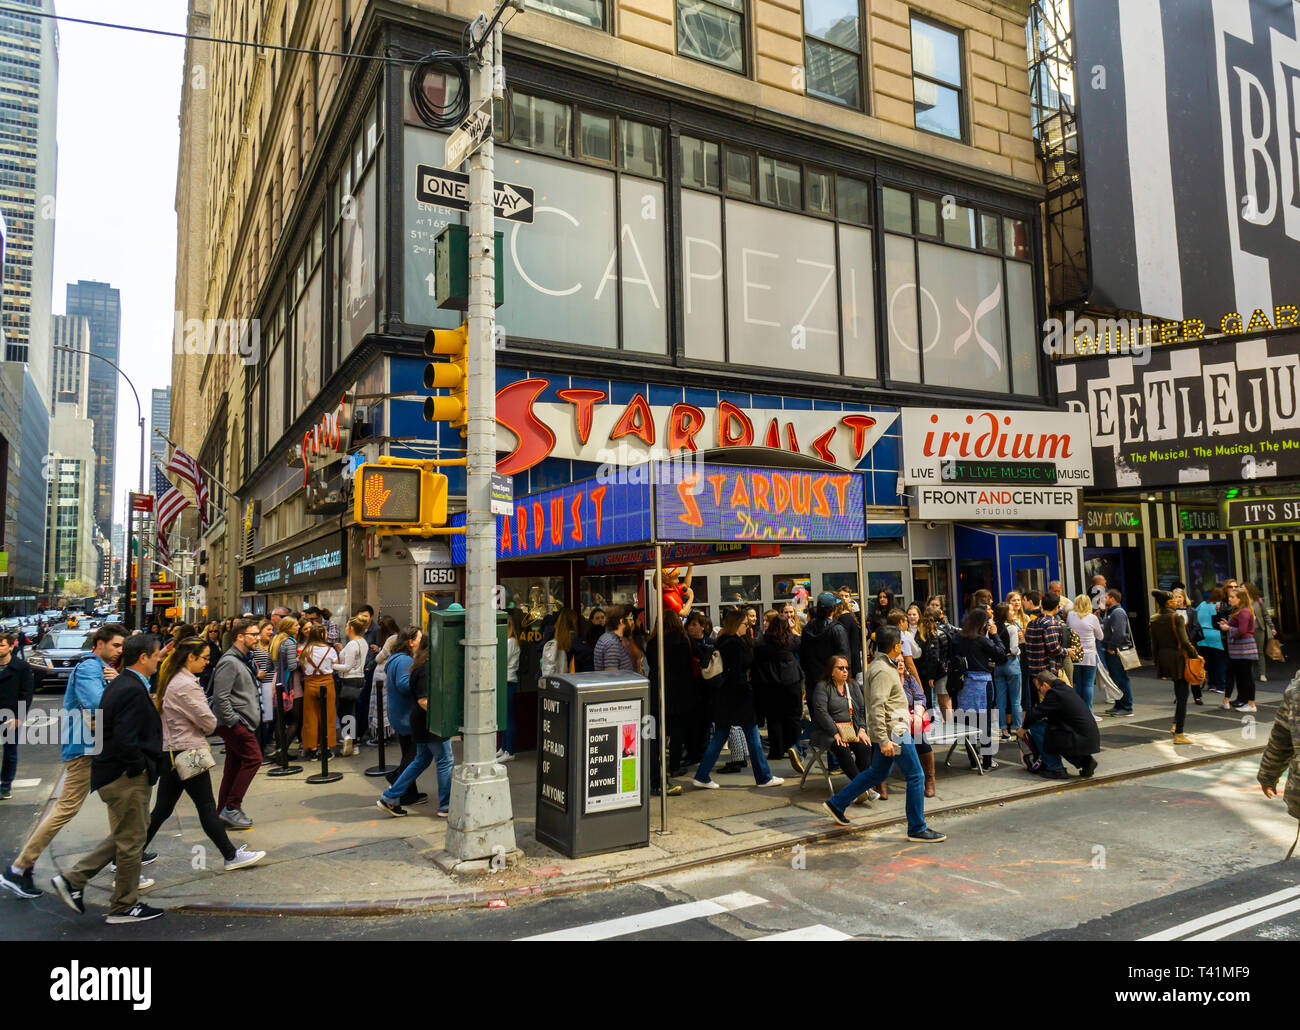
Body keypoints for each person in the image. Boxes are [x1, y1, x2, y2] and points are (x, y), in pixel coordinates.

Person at [0, 623, 125, 900]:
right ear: (100, 643)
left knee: (119, 800)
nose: (119, 651)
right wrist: (118, 683)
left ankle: (124, 853)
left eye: (121, 647)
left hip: (97, 747)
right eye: (115, 645)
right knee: (66, 808)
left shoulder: (99, 668)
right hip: (84, 748)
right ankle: (18, 869)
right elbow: (97, 704)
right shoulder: (90, 667)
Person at [51, 633, 166, 924]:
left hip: (118, 773)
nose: (159, 659)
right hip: (125, 776)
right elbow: (125, 737)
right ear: (143, 658)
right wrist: (138, 767)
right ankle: (123, 906)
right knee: (131, 842)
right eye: (156, 655)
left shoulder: (124, 683)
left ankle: (74, 879)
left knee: (128, 835)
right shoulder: (128, 688)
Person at [145, 637, 265, 872]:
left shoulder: (173, 678)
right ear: (191, 657)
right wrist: (207, 721)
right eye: (204, 658)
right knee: (207, 807)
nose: (207, 663)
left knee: (163, 809)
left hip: (172, 750)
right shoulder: (186, 685)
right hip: (188, 751)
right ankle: (230, 855)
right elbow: (209, 723)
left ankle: (129, 854)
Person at [822, 627, 946, 842]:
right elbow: (877, 707)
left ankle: (837, 803)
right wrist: (884, 739)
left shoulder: (882, 666)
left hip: (892, 730)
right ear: (896, 646)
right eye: (901, 644)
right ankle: (917, 827)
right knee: (916, 775)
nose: (902, 648)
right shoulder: (882, 670)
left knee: (876, 774)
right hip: (894, 732)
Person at [691, 610, 783, 789]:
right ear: (736, 625)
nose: (746, 627)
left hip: (725, 697)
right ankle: (764, 777)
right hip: (739, 697)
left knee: (720, 737)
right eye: (744, 624)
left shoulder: (723, 641)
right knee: (753, 737)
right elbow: (737, 671)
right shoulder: (735, 643)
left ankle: (702, 775)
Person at [377, 632, 453, 817]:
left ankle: (390, 796)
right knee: (445, 760)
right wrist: (442, 717)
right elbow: (423, 700)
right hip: (428, 721)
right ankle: (446, 806)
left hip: (417, 720)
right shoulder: (424, 667)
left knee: (421, 760)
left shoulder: (414, 664)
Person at [210, 618, 264, 828]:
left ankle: (222, 810)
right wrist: (234, 723)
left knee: (233, 767)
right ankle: (232, 807)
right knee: (253, 759)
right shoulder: (229, 662)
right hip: (235, 724)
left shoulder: (242, 659)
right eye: (254, 634)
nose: (257, 638)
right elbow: (220, 696)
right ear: (240, 637)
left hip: (240, 722)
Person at [1018, 671, 1101, 780]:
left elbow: (1033, 714)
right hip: (1086, 738)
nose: (1040, 693)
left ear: (1045, 685)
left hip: (1077, 739)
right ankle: (1085, 762)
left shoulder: (1054, 694)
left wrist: (1023, 729)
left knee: (1036, 727)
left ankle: (1056, 769)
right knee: (1056, 733)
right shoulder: (1065, 689)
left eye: (1039, 689)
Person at [809, 653, 873, 789]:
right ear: (831, 671)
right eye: (840, 668)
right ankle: (860, 787)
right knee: (842, 748)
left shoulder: (853, 685)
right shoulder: (823, 687)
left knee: (865, 747)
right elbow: (821, 713)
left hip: (851, 729)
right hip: (827, 731)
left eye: (847, 668)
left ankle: (860, 786)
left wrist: (861, 728)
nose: (845, 671)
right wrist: (835, 733)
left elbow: (862, 709)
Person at [954, 608, 1006, 771]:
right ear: (983, 624)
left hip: (964, 684)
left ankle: (972, 759)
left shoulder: (958, 638)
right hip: (982, 683)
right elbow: (1001, 655)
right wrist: (995, 635)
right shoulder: (982, 641)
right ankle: (987, 761)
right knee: (985, 722)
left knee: (966, 722)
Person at [384, 628, 428, 808]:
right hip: (406, 716)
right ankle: (397, 781)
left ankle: (410, 793)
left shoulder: (396, 659)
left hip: (399, 714)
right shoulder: (405, 661)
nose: (421, 640)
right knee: (413, 756)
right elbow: (404, 685)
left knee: (409, 754)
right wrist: (421, 681)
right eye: (419, 638)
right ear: (410, 642)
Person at [753, 606, 802, 764]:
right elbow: (801, 643)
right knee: (793, 715)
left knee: (774, 717)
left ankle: (776, 750)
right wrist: (793, 630)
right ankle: (793, 746)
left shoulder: (763, 642)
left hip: (770, 682)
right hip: (791, 680)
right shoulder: (791, 640)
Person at [1151, 589, 1200, 744]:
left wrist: (1156, 662)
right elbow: (1185, 641)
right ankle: (1179, 733)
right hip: (1179, 658)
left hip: (1164, 657)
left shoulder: (1154, 618)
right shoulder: (1176, 617)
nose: (1176, 601)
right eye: (1173, 599)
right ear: (1168, 602)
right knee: (1183, 696)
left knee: (1179, 693)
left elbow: (1154, 644)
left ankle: (1175, 724)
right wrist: (1195, 654)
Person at [0, 632, 35, 800]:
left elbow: (26, 694)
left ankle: (5, 785)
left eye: (1, 645)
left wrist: (19, 717)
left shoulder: (21, 667)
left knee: (9, 751)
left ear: (11, 646)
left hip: (10, 715)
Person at [298, 623, 339, 760]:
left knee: (310, 717)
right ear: (322, 635)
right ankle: (326, 748)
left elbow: (303, 668)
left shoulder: (306, 650)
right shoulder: (330, 650)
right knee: (328, 716)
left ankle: (313, 749)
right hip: (327, 683)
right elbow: (335, 665)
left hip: (310, 683)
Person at [800, 592, 850, 693]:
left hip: (812, 683)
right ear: (833, 609)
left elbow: (803, 658)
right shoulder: (837, 629)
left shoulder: (807, 629)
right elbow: (844, 657)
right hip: (833, 684)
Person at [1220, 586, 1258, 714]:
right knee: (1243, 676)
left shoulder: (1244, 611)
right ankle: (1247, 702)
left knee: (1247, 676)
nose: (1229, 599)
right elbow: (1239, 627)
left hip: (1244, 648)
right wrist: (1229, 624)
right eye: (1229, 596)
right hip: (1239, 649)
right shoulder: (1239, 611)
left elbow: (1242, 630)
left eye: (1232, 597)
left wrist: (1228, 629)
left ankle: (1251, 704)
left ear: (1240, 599)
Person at [335, 617, 368, 756]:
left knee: (346, 712)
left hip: (349, 680)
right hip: (359, 679)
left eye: (347, 625)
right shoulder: (363, 642)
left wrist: (331, 665)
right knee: (350, 710)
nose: (346, 628)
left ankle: (351, 741)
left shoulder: (352, 644)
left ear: (352, 628)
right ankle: (352, 741)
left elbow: (347, 667)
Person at [1100, 589, 1135, 716]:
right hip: (1113, 650)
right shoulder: (1110, 612)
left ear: (1112, 598)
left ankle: (1126, 707)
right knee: (1115, 679)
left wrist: (1111, 647)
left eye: (1106, 597)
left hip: (1117, 651)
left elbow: (1119, 633)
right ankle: (1119, 704)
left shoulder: (1118, 613)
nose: (1104, 599)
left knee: (1121, 678)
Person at [1067, 593, 1103, 718]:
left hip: (1075, 653)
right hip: (1089, 654)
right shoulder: (1092, 618)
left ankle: (1078, 711)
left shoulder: (1071, 616)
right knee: (1088, 684)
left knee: (1077, 683)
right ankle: (1088, 712)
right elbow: (1100, 636)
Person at [269, 617, 301, 755]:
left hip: (276, 681)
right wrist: (300, 660)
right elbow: (292, 666)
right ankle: (283, 750)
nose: (298, 626)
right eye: (296, 624)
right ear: (289, 627)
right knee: (295, 719)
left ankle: (278, 747)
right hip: (290, 682)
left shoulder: (275, 640)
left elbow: (268, 664)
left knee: (280, 719)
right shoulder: (290, 642)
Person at [992, 603, 1023, 739]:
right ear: (1005, 613)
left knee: (1000, 700)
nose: (1012, 612)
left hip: (998, 664)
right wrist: (1020, 650)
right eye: (1010, 610)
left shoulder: (991, 629)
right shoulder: (1012, 628)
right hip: (1011, 663)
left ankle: (1004, 730)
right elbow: (1014, 648)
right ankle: (1018, 728)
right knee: (1016, 699)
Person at [1023, 592, 1065, 683]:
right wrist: (1067, 652)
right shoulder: (1051, 623)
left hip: (1034, 670)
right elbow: (1054, 648)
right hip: (1048, 670)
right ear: (1056, 607)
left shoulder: (1032, 622)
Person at [1195, 588, 1228, 698]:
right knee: (1219, 661)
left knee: (1208, 661)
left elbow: (1195, 616)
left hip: (1203, 636)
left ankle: (1211, 684)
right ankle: (1220, 685)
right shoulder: (1220, 605)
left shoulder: (1202, 604)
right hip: (1215, 635)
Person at [1245, 582, 1275, 683]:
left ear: (1249, 589)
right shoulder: (1242, 601)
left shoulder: (1258, 600)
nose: (1241, 589)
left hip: (1259, 629)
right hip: (1247, 631)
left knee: (1260, 652)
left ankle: (1262, 674)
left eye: (1243, 587)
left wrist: (1272, 627)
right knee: (1248, 653)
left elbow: (1265, 615)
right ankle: (1248, 674)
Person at [593, 605, 637, 672]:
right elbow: (612, 676)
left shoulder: (610, 638)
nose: (633, 622)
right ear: (621, 621)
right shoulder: (612, 643)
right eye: (630, 618)